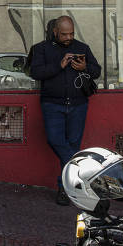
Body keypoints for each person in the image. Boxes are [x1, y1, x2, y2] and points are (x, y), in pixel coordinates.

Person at [29, 16, 101, 206]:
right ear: (55, 32)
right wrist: (58, 66)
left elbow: (97, 71)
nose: (68, 37)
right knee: (55, 141)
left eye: (71, 33)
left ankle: (64, 188)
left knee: (73, 144)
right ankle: (80, 172)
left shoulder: (81, 47)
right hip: (52, 104)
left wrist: (85, 66)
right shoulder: (41, 49)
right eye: (64, 34)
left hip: (78, 104)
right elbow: (35, 73)